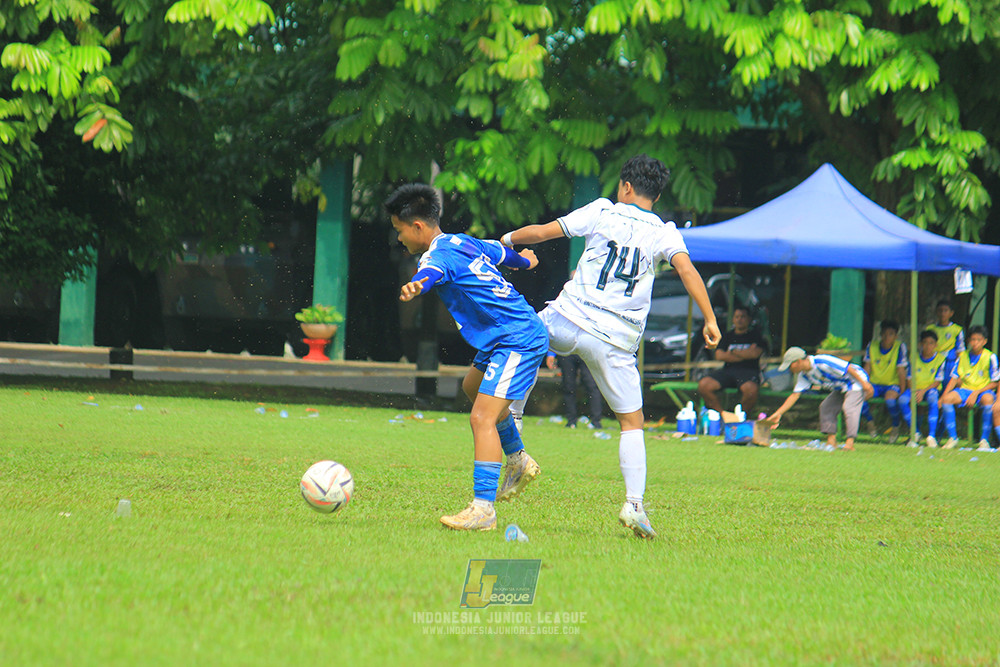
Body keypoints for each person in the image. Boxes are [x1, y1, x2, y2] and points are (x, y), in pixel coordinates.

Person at [501, 154, 721, 538]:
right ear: (655, 193)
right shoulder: (665, 232)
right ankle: (634, 505)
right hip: (616, 338)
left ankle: (516, 452)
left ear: (626, 187)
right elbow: (687, 270)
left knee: (520, 344)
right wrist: (711, 319)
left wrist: (506, 240)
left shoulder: (604, 210)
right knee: (631, 423)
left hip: (569, 317)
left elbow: (542, 232)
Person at [385, 183, 548, 531]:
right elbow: (502, 254)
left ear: (417, 227)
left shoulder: (434, 257)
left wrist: (418, 284)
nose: (399, 239)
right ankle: (518, 459)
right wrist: (525, 261)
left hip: (517, 337)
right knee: (472, 386)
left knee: (481, 419)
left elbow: (432, 274)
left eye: (399, 231)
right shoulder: (462, 240)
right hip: (501, 336)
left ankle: (483, 509)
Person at [763, 346, 875, 451]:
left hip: (855, 381)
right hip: (840, 386)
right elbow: (795, 395)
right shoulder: (804, 375)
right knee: (826, 407)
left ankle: (849, 443)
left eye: (790, 366)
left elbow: (848, 368)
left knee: (849, 407)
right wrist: (778, 414)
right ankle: (831, 441)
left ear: (798, 362)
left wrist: (864, 384)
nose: (790, 369)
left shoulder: (822, 361)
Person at [696, 304, 766, 415]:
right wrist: (744, 354)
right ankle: (722, 416)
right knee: (704, 385)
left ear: (748, 319)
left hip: (748, 372)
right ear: (733, 319)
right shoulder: (727, 336)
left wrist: (732, 352)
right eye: (737, 317)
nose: (739, 320)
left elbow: (755, 354)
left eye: (742, 317)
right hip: (728, 371)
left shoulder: (755, 335)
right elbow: (719, 356)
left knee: (751, 391)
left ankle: (739, 419)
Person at [939, 325, 998, 451]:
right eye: (972, 339)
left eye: (978, 340)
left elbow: (995, 382)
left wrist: (977, 392)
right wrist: (944, 395)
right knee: (947, 399)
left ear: (984, 341)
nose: (975, 343)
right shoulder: (963, 356)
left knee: (988, 400)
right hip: (965, 390)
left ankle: (984, 440)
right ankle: (953, 438)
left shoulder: (990, 357)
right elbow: (954, 378)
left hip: (983, 391)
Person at [860, 320, 909, 443]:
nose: (887, 337)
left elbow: (901, 371)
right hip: (875, 384)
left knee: (890, 400)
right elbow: (867, 367)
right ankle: (870, 423)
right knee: (859, 397)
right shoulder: (872, 346)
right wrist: (864, 384)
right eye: (884, 334)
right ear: (880, 334)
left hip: (892, 384)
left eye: (891, 334)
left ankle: (895, 426)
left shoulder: (899, 347)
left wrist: (902, 391)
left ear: (896, 336)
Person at [896, 330, 946, 447]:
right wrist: (915, 391)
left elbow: (937, 381)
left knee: (933, 399)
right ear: (920, 344)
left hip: (930, 389)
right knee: (902, 400)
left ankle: (931, 436)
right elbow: (909, 377)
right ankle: (915, 432)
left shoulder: (940, 359)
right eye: (925, 343)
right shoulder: (914, 357)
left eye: (931, 343)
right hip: (915, 388)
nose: (928, 346)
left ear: (936, 345)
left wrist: (923, 391)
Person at [550, 352, 604, 429]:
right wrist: (551, 354)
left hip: (586, 350)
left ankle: (596, 421)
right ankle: (571, 421)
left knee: (592, 385)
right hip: (567, 350)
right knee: (568, 386)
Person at [927, 300, 965, 382]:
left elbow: (960, 350)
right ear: (936, 312)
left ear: (951, 313)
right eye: (940, 310)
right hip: (933, 362)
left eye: (945, 311)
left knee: (947, 385)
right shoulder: (930, 329)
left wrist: (959, 368)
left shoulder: (957, 329)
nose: (942, 313)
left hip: (950, 362)